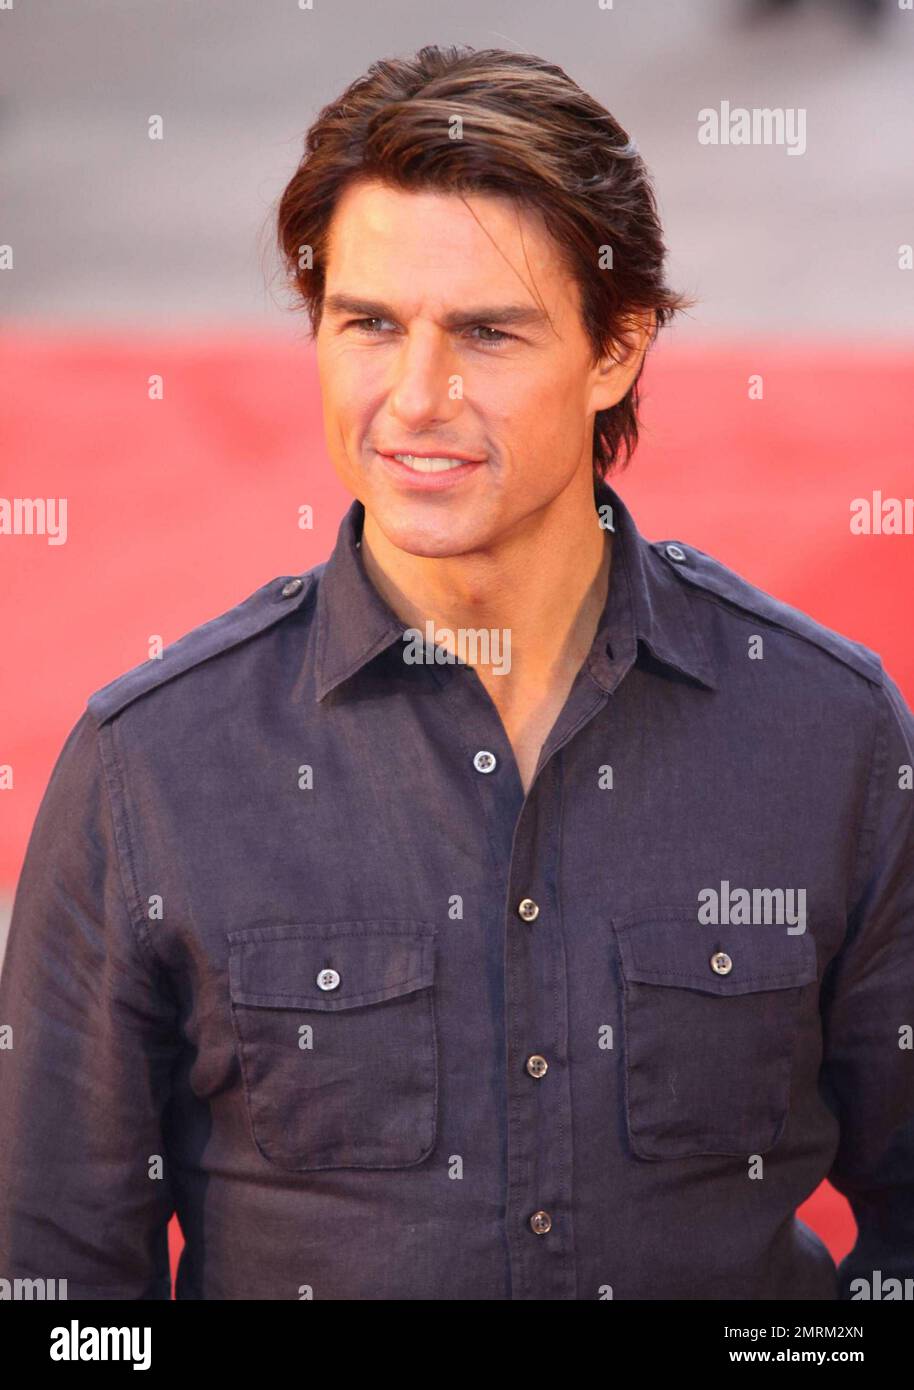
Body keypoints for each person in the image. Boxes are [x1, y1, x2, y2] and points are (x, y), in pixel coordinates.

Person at [1, 44, 911, 1301]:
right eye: (369, 324)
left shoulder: (828, 734)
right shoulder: (150, 769)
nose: (415, 398)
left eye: (485, 333)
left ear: (616, 348)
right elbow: (54, 1287)